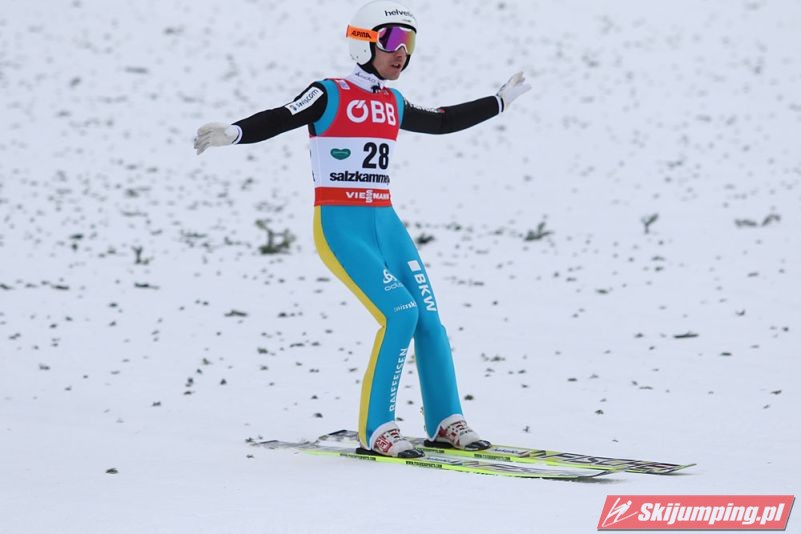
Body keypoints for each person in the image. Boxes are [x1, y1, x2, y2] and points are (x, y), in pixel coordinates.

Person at [194, 0, 530, 458]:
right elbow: (282, 116)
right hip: (342, 226)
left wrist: (498, 102)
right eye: (392, 40)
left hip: (386, 223)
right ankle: (377, 429)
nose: (402, 53)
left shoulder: (393, 101)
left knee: (428, 317)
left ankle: (446, 420)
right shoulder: (329, 93)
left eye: (409, 43)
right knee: (400, 313)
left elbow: (442, 121)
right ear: (362, 43)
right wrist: (235, 132)